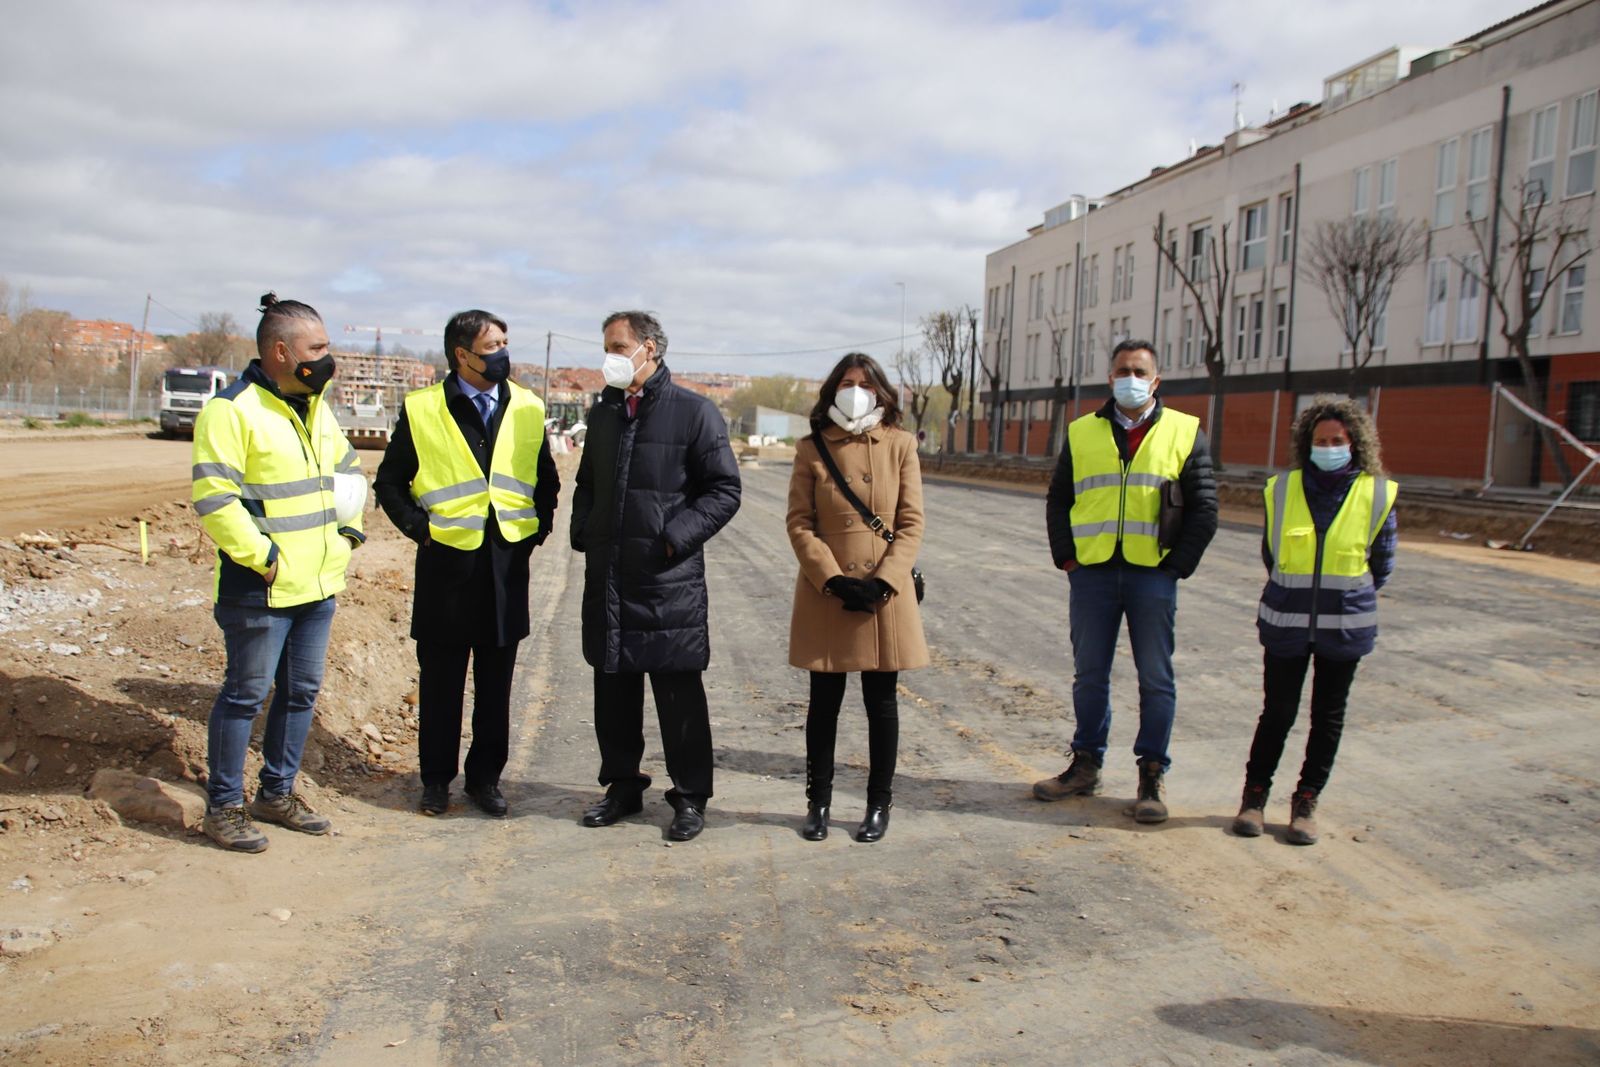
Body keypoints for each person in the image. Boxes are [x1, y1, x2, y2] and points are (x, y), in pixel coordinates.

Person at [191, 293, 364, 852]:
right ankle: (223, 807)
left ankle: (277, 793)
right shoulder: (231, 410)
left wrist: (348, 532)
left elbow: (347, 469)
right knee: (245, 695)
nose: (327, 357)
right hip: (260, 586)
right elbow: (216, 499)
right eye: (318, 348)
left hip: (318, 582)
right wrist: (262, 558)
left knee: (300, 694)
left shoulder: (317, 404)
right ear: (283, 351)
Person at [374, 310, 559, 818]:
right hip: (445, 570)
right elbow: (389, 483)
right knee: (440, 685)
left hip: (504, 568)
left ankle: (485, 781)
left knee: (496, 687)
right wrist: (421, 530)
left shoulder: (526, 406)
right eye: (491, 344)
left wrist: (534, 532)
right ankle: (436, 782)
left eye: (504, 341)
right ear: (462, 354)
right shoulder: (423, 408)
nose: (502, 351)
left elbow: (545, 480)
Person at [571, 311, 741, 841]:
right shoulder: (604, 412)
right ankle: (622, 787)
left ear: (649, 348)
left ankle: (690, 798)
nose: (610, 358)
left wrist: (673, 537)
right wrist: (586, 530)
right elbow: (587, 483)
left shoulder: (693, 412)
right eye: (607, 347)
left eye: (618, 347)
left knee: (679, 695)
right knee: (613, 690)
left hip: (668, 581)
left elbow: (724, 490)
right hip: (611, 577)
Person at [1035, 339, 1217, 823]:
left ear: (1156, 381)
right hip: (1092, 572)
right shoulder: (1082, 433)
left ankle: (1151, 773)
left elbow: (1205, 508)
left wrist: (1176, 566)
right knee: (1089, 675)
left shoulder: (1186, 432)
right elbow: (1058, 500)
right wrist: (1068, 557)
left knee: (1156, 679)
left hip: (1152, 575)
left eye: (1139, 371)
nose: (1129, 378)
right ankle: (1086, 764)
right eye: (1122, 370)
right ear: (1109, 378)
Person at [1232, 396, 1397, 845]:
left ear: (1354, 443)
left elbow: (1380, 564)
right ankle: (1254, 798)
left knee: (1328, 717)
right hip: (1287, 621)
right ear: (1307, 444)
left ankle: (1306, 801)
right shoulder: (1282, 489)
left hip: (1344, 626)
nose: (1328, 447)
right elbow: (1272, 554)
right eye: (1321, 440)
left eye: (1337, 441)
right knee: (1278, 713)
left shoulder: (1377, 492)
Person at [786, 353, 927, 843]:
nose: (855, 390)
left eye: (864, 383)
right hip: (828, 595)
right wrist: (832, 578)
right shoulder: (811, 448)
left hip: (883, 597)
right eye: (846, 382)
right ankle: (818, 803)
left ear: (880, 391)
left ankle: (877, 805)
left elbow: (911, 523)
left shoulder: (901, 445)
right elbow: (799, 522)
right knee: (823, 704)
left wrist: (884, 580)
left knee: (881, 703)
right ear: (831, 390)